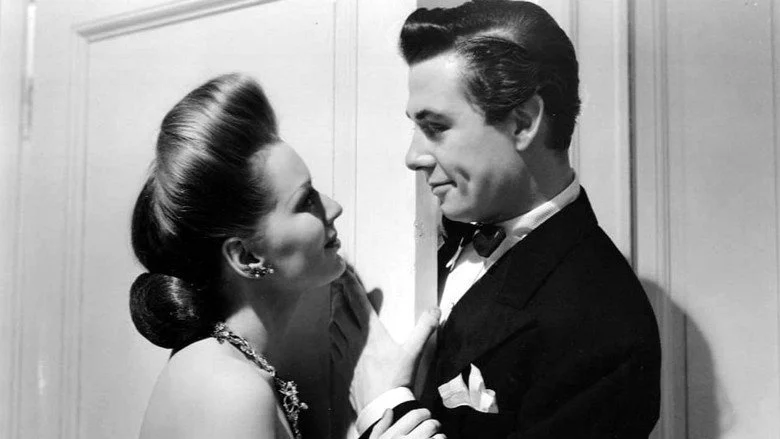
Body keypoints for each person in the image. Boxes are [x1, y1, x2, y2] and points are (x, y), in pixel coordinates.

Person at [342, 1, 661, 438]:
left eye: (435, 127)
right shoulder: (427, 233)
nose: (412, 157)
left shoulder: (607, 325)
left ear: (522, 123)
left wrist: (383, 407)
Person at [129, 73, 444, 439]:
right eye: (305, 200)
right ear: (247, 256)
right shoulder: (230, 387)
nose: (334, 207)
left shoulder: (229, 367)